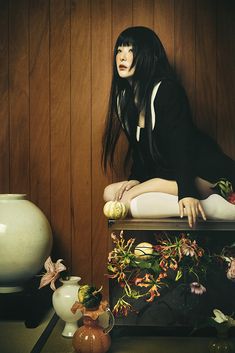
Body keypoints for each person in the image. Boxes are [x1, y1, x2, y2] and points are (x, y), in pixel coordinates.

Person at [102, 26, 235, 227]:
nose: (122, 57)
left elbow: (182, 147)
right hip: (167, 175)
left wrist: (187, 193)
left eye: (131, 51)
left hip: (205, 174)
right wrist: (136, 179)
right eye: (119, 50)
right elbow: (141, 151)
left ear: (148, 56)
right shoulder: (124, 102)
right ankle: (209, 206)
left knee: (129, 201)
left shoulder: (166, 91)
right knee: (110, 193)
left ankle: (216, 206)